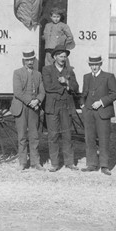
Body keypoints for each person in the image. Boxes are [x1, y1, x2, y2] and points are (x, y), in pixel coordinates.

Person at [41, 40, 80, 171]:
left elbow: (75, 87)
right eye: (61, 56)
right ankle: (55, 164)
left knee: (67, 135)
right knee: (53, 136)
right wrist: (64, 87)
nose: (63, 59)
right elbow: (48, 86)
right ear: (54, 57)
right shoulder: (46, 70)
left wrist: (67, 82)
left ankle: (69, 163)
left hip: (66, 106)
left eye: (65, 56)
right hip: (52, 106)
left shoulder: (69, 71)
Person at [80, 54, 116, 175]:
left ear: (100, 64)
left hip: (103, 112)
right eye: (92, 65)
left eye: (96, 64)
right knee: (89, 139)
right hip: (89, 113)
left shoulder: (108, 77)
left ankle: (104, 165)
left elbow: (114, 94)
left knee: (103, 139)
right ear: (89, 65)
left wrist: (101, 102)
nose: (94, 67)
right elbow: (84, 93)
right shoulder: (86, 77)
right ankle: (91, 164)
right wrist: (82, 105)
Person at [11, 50, 45, 171]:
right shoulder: (17, 73)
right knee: (22, 136)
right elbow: (18, 92)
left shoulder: (38, 74)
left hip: (34, 108)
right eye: (27, 60)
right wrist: (31, 101)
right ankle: (22, 162)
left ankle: (36, 162)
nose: (30, 62)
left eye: (32, 60)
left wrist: (38, 101)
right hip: (21, 107)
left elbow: (42, 91)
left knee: (34, 135)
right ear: (23, 61)